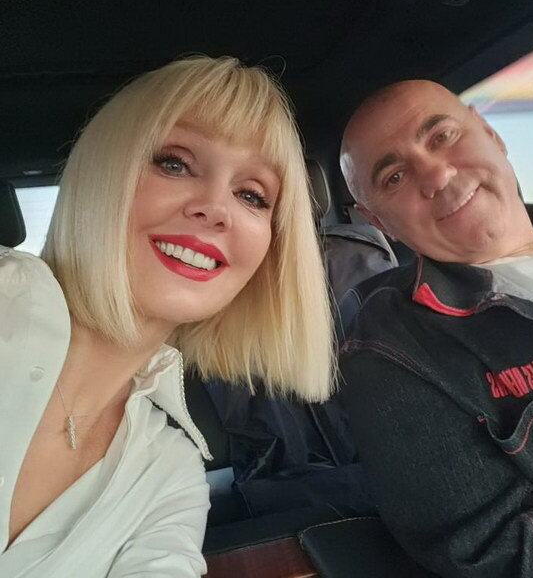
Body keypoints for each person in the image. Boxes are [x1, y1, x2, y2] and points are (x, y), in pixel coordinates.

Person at [0, 55, 334, 577]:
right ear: (100, 171)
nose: (215, 208)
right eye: (174, 163)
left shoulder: (173, 468)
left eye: (251, 195)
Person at [338, 79, 533, 577]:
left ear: (492, 135)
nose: (436, 174)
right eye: (395, 176)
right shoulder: (397, 350)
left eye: (442, 137)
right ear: (379, 222)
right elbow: (509, 560)